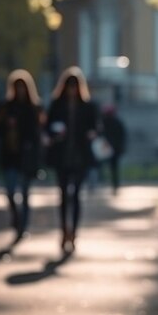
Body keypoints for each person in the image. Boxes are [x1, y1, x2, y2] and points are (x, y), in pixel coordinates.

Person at [46, 66, 100, 254]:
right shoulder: (57, 105)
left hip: (80, 156)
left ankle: (74, 232)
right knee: (63, 195)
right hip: (61, 156)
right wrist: (54, 133)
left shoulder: (87, 106)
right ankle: (64, 230)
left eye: (74, 86)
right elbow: (48, 127)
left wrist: (91, 134)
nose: (72, 89)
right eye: (69, 85)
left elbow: (95, 127)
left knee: (75, 194)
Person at [0, 69, 45, 241]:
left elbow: (38, 133)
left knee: (25, 193)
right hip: (10, 155)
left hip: (27, 156)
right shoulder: (5, 107)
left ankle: (23, 226)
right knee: (10, 190)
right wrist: (6, 124)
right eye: (17, 87)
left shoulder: (34, 108)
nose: (21, 90)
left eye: (23, 87)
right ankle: (16, 218)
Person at [101, 105, 127, 194]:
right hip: (111, 149)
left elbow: (122, 136)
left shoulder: (104, 122)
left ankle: (114, 185)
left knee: (111, 168)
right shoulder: (116, 122)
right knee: (113, 168)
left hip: (109, 148)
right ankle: (114, 185)